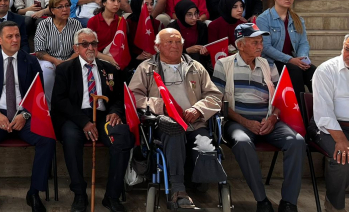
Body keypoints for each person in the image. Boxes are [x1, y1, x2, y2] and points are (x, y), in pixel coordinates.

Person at [212, 23, 304, 212]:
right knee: (243, 142)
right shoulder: (224, 65)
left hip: (268, 121)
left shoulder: (268, 64)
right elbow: (219, 103)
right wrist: (246, 122)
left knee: (297, 141)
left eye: (261, 42)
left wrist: (273, 119)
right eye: (255, 42)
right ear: (240, 45)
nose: (260, 46)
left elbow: (280, 98)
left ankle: (289, 202)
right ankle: (262, 201)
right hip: (238, 122)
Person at [129, 28, 222, 209]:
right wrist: (159, 106)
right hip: (164, 122)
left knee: (205, 146)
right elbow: (134, 97)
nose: (175, 45)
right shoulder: (147, 68)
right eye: (169, 42)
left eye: (178, 41)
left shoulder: (195, 66)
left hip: (194, 121)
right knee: (174, 130)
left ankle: (201, 181)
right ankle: (178, 190)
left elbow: (215, 96)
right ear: (157, 46)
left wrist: (199, 109)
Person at [0, 20, 54, 212]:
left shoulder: (31, 61)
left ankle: (34, 192)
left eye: (17, 35)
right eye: (10, 36)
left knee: (47, 139)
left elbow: (38, 94)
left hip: (23, 114)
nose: (15, 39)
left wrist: (24, 115)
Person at [52, 27, 132, 212]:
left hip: (103, 116)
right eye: (85, 44)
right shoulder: (65, 69)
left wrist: (115, 112)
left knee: (121, 138)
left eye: (93, 44)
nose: (90, 48)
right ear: (75, 48)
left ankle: (112, 196)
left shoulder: (109, 69)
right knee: (71, 139)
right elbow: (60, 101)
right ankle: (79, 194)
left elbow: (119, 97)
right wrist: (84, 122)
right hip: (74, 117)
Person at [310, 35, 349, 212]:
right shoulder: (326, 70)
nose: (348, 54)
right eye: (347, 48)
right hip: (327, 126)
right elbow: (324, 113)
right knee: (342, 156)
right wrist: (340, 139)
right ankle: (334, 206)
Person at [256, 0, 315, 93]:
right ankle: (299, 108)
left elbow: (303, 42)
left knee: (313, 71)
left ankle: (318, 107)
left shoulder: (297, 19)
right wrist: (290, 60)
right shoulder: (263, 19)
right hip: (273, 61)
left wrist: (302, 59)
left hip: (294, 60)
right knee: (294, 71)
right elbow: (266, 47)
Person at [34, 0, 83, 100]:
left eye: (67, 6)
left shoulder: (76, 24)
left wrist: (67, 61)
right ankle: (49, 107)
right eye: (60, 7)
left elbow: (79, 49)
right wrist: (56, 61)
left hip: (70, 59)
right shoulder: (44, 25)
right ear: (52, 10)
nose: (65, 9)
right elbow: (39, 51)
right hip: (49, 60)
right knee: (47, 70)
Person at [166, 0, 210, 68]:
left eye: (195, 13)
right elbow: (168, 52)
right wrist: (187, 50)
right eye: (189, 15)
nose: (194, 18)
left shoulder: (201, 26)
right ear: (181, 15)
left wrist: (204, 51)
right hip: (177, 62)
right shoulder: (171, 29)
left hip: (199, 62)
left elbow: (206, 46)